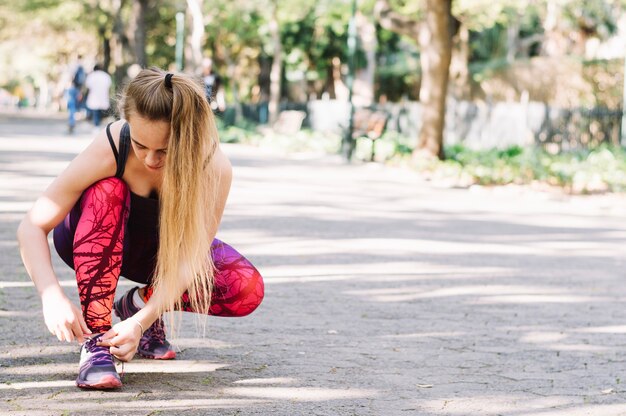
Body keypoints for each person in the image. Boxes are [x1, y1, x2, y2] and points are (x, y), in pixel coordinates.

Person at [16, 67, 265, 390]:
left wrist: (141, 319)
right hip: (91, 236)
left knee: (245, 287)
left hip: (159, 257)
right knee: (107, 190)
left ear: (190, 135)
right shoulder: (112, 143)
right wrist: (50, 295)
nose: (149, 160)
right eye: (140, 145)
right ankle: (98, 342)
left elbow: (190, 258)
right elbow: (32, 226)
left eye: (164, 150)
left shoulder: (213, 167)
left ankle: (134, 304)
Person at [66, 55, 86, 133]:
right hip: (78, 89)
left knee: (72, 106)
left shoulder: (72, 66)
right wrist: (81, 91)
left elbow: (69, 77)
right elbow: (83, 80)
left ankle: (71, 122)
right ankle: (72, 122)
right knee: (75, 106)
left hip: (71, 88)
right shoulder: (82, 68)